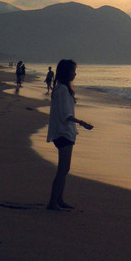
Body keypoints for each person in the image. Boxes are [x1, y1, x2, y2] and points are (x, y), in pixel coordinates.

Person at [46, 59, 93, 211]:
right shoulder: (63, 91)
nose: (75, 74)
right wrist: (82, 123)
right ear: (67, 73)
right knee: (63, 169)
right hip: (63, 133)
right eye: (73, 71)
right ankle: (53, 202)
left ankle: (59, 199)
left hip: (63, 132)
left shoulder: (61, 89)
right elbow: (66, 115)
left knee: (65, 169)